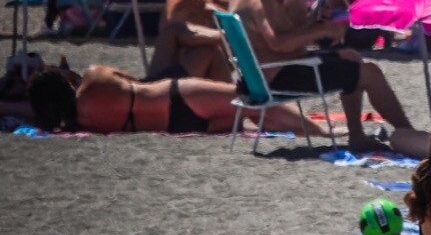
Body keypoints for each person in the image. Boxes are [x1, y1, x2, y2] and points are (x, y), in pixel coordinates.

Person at [230, 0, 424, 154]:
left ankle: (357, 135)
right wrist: (321, 30)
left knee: (351, 58)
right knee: (370, 73)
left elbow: (286, 36)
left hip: (266, 74)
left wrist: (312, 20)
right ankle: (408, 133)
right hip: (279, 76)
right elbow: (279, 43)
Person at [21, 63, 311, 137]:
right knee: (250, 100)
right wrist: (75, 77)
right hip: (176, 97)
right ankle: (321, 131)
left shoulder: (78, 123)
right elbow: (133, 80)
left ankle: (311, 131)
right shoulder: (94, 77)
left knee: (248, 115)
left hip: (180, 126)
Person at [148, 0, 231, 81]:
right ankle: (230, 96)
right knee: (212, 49)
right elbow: (232, 18)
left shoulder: (218, 0)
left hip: (195, 70)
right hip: (172, 70)